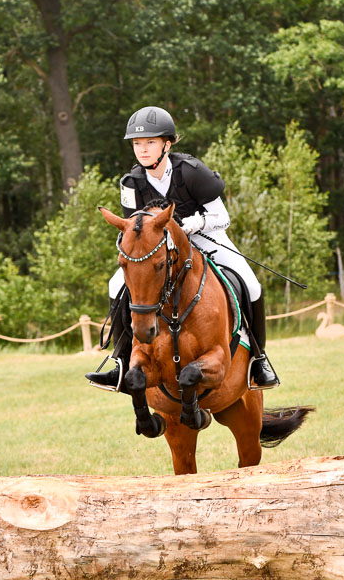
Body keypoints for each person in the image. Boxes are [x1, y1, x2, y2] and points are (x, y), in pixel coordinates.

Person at [86, 105, 279, 391]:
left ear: (167, 144)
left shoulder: (191, 172)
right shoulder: (131, 182)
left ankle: (259, 360)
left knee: (251, 284)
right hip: (157, 250)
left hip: (204, 237)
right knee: (115, 285)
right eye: (137, 144)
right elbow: (133, 227)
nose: (142, 149)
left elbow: (222, 218)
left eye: (150, 142)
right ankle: (120, 361)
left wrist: (194, 224)